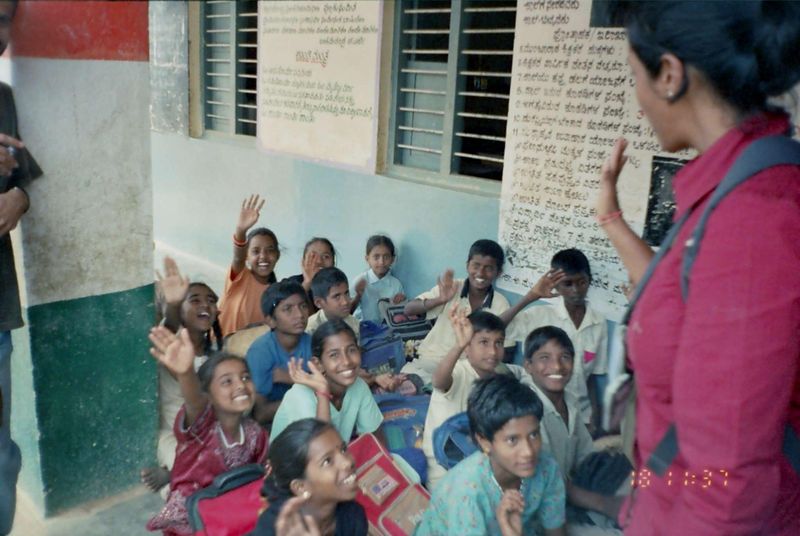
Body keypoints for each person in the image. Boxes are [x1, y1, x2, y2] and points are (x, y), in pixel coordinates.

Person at [597, 2, 800, 533]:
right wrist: (611, 217)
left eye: (634, 77)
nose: (638, 102)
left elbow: (724, 479)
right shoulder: (728, 188)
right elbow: (682, 306)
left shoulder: (754, 219)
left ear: (669, 74)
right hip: (663, 498)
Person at [146, 327, 268, 536]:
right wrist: (186, 373)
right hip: (193, 520)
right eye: (227, 381)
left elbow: (262, 473)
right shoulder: (201, 428)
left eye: (246, 377)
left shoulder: (255, 433)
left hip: (232, 513)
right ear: (208, 394)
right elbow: (195, 403)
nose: (240, 385)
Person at [415, 374, 566, 536]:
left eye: (534, 434)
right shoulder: (466, 492)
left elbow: (555, 530)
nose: (528, 451)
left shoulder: (546, 468)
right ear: (485, 442)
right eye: (512, 440)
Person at [0, 1, 42, 533]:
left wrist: (19, 202)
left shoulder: (4, 99)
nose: (1, 34)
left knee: (1, 456)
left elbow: (21, 182)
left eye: (6, 17)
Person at [523, 327, 626, 534]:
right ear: (528, 366)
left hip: (569, 495)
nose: (557, 366)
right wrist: (606, 504)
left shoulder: (569, 401)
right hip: (540, 514)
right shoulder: (527, 412)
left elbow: (585, 458)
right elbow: (549, 484)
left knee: (636, 481)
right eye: (544, 357)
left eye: (565, 357)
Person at [422, 306, 533, 488]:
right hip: (445, 468)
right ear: (467, 347)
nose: (492, 351)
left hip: (479, 460)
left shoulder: (498, 374)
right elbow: (439, 382)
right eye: (484, 342)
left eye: (498, 343)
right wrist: (458, 345)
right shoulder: (459, 372)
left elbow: (519, 373)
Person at [141, 258, 223, 493]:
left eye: (211, 301)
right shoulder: (172, 346)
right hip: (174, 435)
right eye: (194, 300)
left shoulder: (216, 354)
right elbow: (168, 328)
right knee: (197, 480)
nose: (204, 306)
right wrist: (174, 305)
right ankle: (173, 473)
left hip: (209, 433)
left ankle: (176, 473)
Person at [504, 249, 609, 433]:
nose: (576, 290)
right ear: (556, 285)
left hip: (578, 414)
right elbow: (492, 329)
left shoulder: (598, 323)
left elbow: (592, 376)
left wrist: (594, 415)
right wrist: (531, 296)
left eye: (581, 282)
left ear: (589, 280)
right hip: (538, 412)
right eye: (567, 284)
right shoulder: (540, 316)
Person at [401, 239, 512, 383]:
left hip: (471, 367)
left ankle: (435, 389)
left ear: (498, 272)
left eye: (489, 268)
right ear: (467, 265)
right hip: (434, 360)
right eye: (476, 265)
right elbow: (408, 309)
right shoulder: (452, 288)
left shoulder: (500, 303)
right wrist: (440, 299)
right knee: (408, 374)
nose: (480, 273)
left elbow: (507, 351)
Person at [270, 320, 383, 441]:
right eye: (334, 355)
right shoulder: (301, 396)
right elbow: (321, 450)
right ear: (318, 364)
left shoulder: (358, 386)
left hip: (336, 455)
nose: (346, 361)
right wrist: (323, 391)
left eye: (351, 350)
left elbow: (375, 437)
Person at [250, 418, 367, 536]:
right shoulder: (274, 528)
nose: (347, 462)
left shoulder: (353, 517)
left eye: (343, 449)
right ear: (300, 487)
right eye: (327, 461)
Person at [246, 279, 312, 425]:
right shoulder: (260, 353)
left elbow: (330, 392)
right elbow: (260, 414)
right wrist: (309, 392)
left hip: (308, 416)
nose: (300, 314)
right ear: (271, 321)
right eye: (288, 309)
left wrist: (291, 378)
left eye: (303, 306)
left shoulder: (314, 344)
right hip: (272, 425)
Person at [218, 194, 280, 336]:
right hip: (219, 350)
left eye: (269, 250)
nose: (263, 256)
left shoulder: (276, 293)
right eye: (256, 251)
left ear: (277, 255)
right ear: (247, 256)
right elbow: (237, 258)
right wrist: (241, 231)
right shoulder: (240, 276)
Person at [350, 235, 406, 323]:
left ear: (392, 259)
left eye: (386, 257)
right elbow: (348, 312)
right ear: (367, 259)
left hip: (388, 329)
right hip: (362, 329)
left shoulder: (396, 284)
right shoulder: (360, 281)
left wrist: (400, 302)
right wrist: (358, 295)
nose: (381, 262)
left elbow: (401, 313)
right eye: (376, 257)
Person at [306, 267, 360, 337]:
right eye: (337, 297)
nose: (345, 302)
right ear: (319, 303)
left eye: (346, 293)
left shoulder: (354, 324)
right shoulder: (310, 330)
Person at [287, 238, 336, 314]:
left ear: (333, 263)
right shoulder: (290, 284)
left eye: (326, 256)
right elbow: (287, 309)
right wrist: (307, 282)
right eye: (313, 256)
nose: (319, 261)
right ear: (303, 262)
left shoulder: (338, 286)